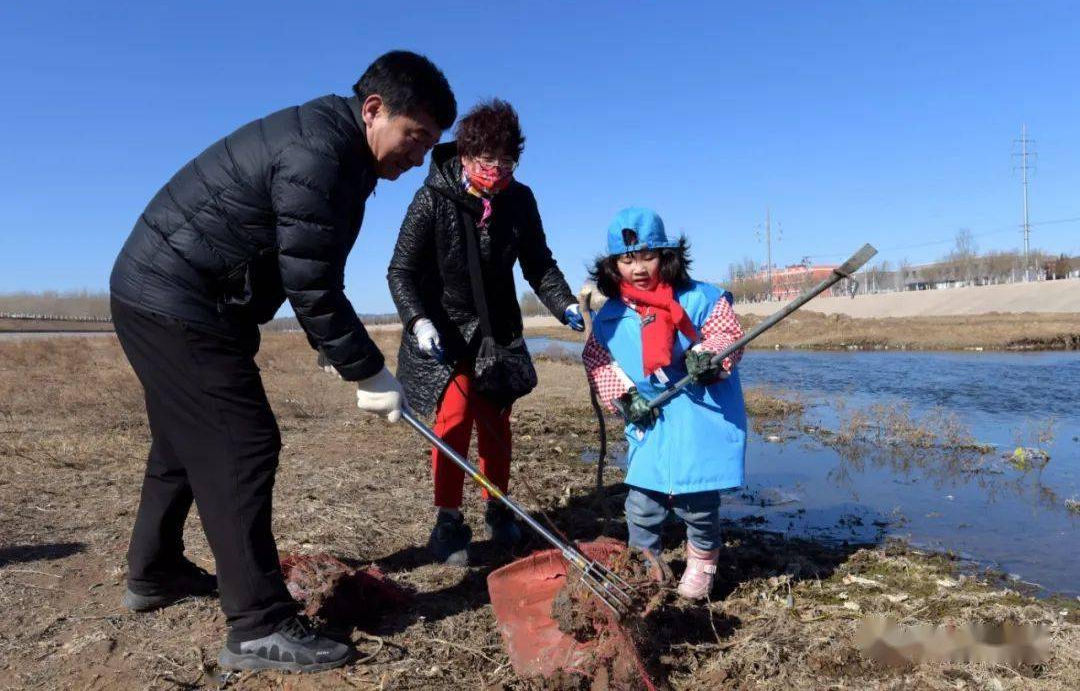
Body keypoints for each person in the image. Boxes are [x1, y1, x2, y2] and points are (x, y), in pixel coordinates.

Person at [109, 51, 456, 672]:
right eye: (417, 136)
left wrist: (333, 348)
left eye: (431, 144)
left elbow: (304, 263)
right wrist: (368, 370)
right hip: (176, 296)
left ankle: (154, 572)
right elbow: (313, 286)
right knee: (241, 443)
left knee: (183, 441)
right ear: (374, 110)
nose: (419, 154)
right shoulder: (319, 154)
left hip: (183, 294)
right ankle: (259, 625)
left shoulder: (338, 150)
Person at [387, 99, 584, 566]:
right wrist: (419, 321)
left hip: (498, 333)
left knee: (495, 426)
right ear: (466, 154)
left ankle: (497, 505)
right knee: (452, 421)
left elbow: (539, 263)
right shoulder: (432, 198)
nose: (497, 170)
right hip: (446, 331)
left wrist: (564, 303)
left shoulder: (520, 200)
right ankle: (448, 519)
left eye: (507, 160)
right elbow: (400, 271)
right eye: (486, 160)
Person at [582, 207, 747, 600]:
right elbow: (596, 359)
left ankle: (703, 562)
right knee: (642, 503)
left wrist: (709, 357)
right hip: (651, 419)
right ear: (613, 265)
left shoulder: (701, 298)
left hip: (699, 415)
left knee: (698, 502)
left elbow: (728, 334)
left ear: (667, 256)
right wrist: (626, 398)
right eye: (627, 259)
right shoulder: (611, 315)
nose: (638, 268)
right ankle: (646, 567)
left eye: (647, 256)